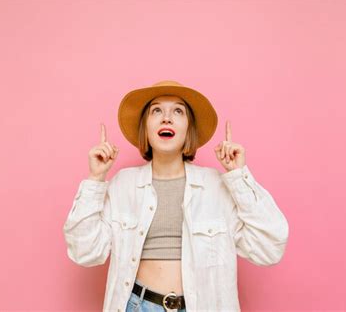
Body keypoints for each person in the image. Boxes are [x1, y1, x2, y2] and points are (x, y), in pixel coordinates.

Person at [63, 80, 289, 312]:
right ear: (146, 128)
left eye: (178, 111)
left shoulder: (217, 186)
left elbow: (270, 247)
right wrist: (95, 178)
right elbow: (85, 252)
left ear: (188, 129)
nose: (166, 118)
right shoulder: (123, 184)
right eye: (157, 110)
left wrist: (239, 176)